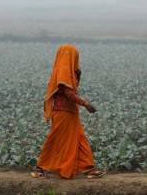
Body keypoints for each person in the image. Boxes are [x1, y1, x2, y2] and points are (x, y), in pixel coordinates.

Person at [31, 44, 106, 179]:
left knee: (80, 139)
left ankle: (89, 168)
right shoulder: (63, 71)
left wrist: (78, 75)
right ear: (70, 57)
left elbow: (72, 88)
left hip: (71, 112)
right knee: (55, 140)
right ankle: (40, 168)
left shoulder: (70, 72)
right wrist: (86, 104)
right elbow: (68, 92)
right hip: (62, 112)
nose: (77, 60)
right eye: (75, 57)